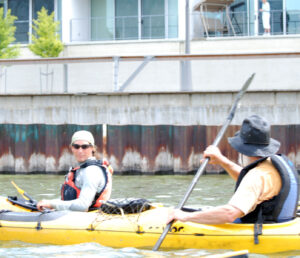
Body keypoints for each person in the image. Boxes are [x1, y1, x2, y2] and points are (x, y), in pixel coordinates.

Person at [166, 115, 299, 226]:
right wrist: (222, 161)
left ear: (243, 149)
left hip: (262, 230)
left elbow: (229, 214)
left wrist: (183, 217)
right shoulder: (271, 165)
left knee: (190, 214)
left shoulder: (256, 176)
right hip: (283, 223)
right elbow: (251, 183)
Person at [37, 130, 113, 212]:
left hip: (87, 218)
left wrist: (51, 204)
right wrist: (48, 203)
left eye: (85, 147)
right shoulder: (81, 169)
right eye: (76, 146)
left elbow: (83, 206)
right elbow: (67, 199)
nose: (80, 151)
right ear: (72, 148)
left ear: (92, 148)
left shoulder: (91, 171)